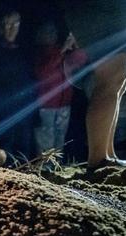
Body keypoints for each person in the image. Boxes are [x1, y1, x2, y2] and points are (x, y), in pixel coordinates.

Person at [55, 0, 126, 171]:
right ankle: (98, 160)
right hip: (106, 7)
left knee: (120, 79)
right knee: (111, 78)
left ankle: (108, 154)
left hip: (114, 8)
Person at [0, 8, 37, 160]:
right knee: (4, 147)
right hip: (1, 110)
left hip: (24, 108)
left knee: (24, 145)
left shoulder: (26, 50)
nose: (9, 28)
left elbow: (32, 79)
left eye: (14, 24)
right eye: (6, 24)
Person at [33, 21, 87, 156]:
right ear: (40, 35)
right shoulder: (38, 53)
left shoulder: (61, 51)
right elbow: (44, 72)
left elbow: (80, 61)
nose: (52, 35)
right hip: (46, 105)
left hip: (64, 103)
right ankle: (45, 169)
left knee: (60, 139)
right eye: (48, 32)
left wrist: (76, 45)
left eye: (53, 32)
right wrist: (62, 51)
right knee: (46, 139)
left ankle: (56, 168)